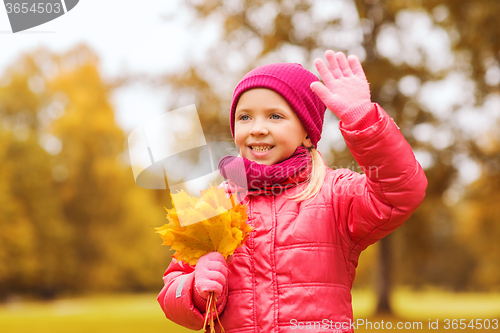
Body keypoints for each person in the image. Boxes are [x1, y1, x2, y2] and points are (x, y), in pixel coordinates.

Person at [157, 50, 428, 333]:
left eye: (275, 116)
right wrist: (196, 290)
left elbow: (401, 190)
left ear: (307, 132)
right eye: (245, 117)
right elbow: (172, 293)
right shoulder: (216, 205)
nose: (257, 129)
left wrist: (363, 122)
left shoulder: (334, 195)